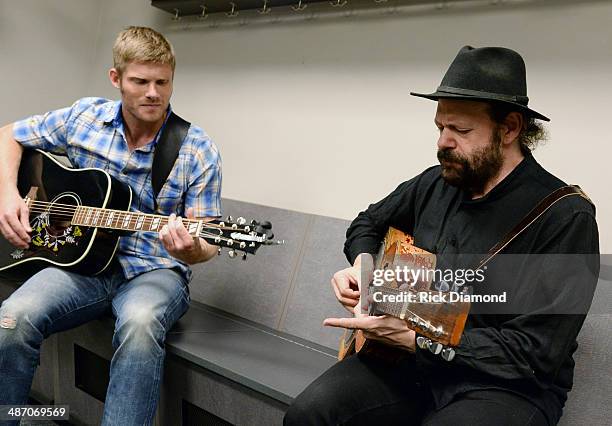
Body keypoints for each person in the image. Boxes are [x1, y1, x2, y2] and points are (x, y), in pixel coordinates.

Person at [284, 46, 599, 425]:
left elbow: (536, 352)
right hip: (411, 361)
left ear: (510, 128)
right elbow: (367, 223)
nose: (442, 143)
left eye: (460, 130)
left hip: (505, 386)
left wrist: (416, 339)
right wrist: (363, 270)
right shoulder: (438, 181)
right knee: (309, 414)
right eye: (440, 127)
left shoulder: (565, 216)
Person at [0, 26, 221, 425]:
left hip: (154, 271)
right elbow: (7, 136)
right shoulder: (84, 117)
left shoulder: (196, 149)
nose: (153, 92)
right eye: (140, 81)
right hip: (80, 265)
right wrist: (8, 197)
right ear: (116, 79)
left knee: (139, 326)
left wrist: (191, 249)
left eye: (163, 82)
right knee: (11, 318)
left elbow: (208, 241)